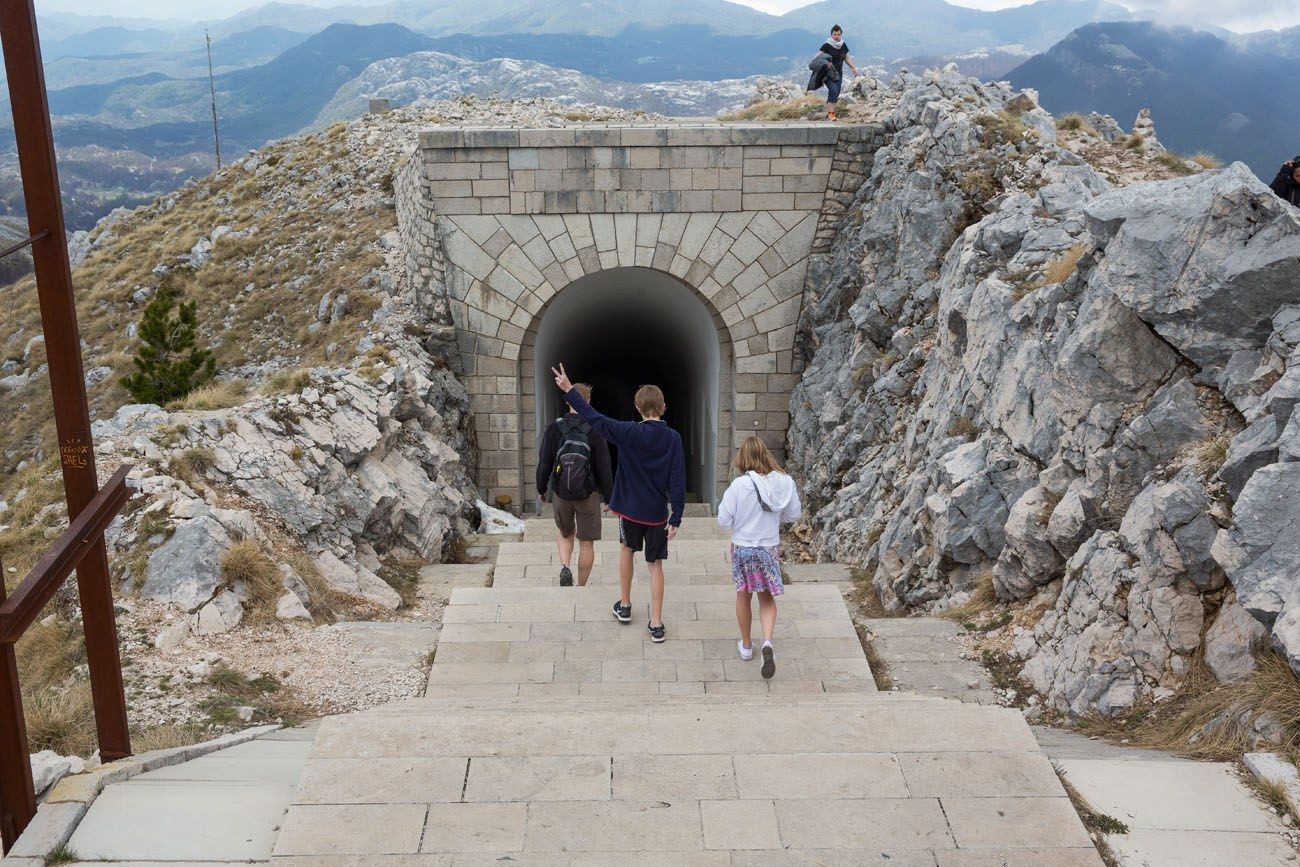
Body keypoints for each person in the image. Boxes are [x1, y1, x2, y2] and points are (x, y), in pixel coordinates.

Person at [551, 363, 685, 643]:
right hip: (656, 513)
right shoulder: (673, 439)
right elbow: (677, 479)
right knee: (655, 565)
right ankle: (657, 624)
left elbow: (594, 418)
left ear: (637, 408)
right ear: (664, 407)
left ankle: (625, 605)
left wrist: (569, 391)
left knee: (626, 550)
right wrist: (676, 517)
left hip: (630, 510)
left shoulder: (628, 432)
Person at [717, 436, 801, 680]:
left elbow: (723, 520)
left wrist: (738, 521)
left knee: (743, 595)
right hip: (768, 548)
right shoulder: (785, 482)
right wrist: (775, 519)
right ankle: (767, 642)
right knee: (766, 598)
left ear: (743, 458)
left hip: (743, 547)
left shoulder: (738, 486)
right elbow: (794, 514)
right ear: (766, 454)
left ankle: (745, 646)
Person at [536, 381, 613, 587]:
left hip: (561, 493)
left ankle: (564, 567)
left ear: (567, 401)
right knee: (586, 543)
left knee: (565, 533)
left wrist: (541, 488)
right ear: (588, 401)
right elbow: (604, 468)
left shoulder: (554, 428)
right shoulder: (595, 429)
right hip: (588, 494)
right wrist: (610, 498)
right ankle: (580, 586)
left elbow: (544, 462)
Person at [808, 24, 859, 122]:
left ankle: (828, 116)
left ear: (841, 35)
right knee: (834, 90)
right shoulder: (827, 45)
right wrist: (825, 64)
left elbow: (847, 58)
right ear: (831, 35)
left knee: (835, 94)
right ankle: (831, 115)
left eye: (838, 34)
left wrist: (854, 68)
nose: (836, 36)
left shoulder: (843, 45)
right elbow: (817, 58)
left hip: (838, 73)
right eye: (834, 34)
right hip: (828, 74)